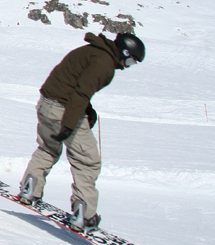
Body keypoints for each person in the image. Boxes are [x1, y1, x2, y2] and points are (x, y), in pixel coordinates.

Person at [18, 32, 145, 232]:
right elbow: (81, 91)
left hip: (46, 103)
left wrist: (88, 110)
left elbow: (72, 82)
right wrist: (69, 124)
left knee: (48, 148)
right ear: (124, 52)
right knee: (87, 161)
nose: (127, 66)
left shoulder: (93, 51)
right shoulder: (104, 64)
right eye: (130, 61)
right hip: (64, 111)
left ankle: (30, 188)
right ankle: (83, 214)